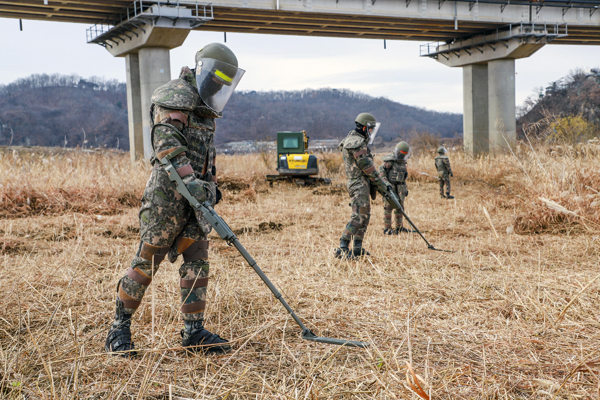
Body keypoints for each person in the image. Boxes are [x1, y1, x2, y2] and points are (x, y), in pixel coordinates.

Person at [105, 43, 245, 356]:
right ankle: (118, 330)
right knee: (147, 262)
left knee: (197, 262)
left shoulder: (205, 108)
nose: (220, 85)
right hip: (166, 199)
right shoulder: (174, 96)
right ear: (204, 70)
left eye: (226, 81)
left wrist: (211, 189)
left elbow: (205, 156)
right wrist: (195, 187)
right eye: (217, 77)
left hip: (196, 204)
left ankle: (193, 333)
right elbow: (167, 146)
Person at [335, 113, 390, 259]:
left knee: (365, 216)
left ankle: (357, 247)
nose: (371, 132)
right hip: (358, 183)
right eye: (370, 129)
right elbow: (368, 168)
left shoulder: (357, 140)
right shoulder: (356, 143)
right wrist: (382, 186)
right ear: (365, 127)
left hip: (362, 183)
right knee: (358, 216)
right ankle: (343, 247)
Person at [379, 141, 411, 234]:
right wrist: (385, 183)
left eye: (404, 154)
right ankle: (387, 229)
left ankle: (399, 227)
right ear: (397, 152)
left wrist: (405, 189)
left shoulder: (403, 163)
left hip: (400, 189)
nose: (402, 156)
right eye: (401, 153)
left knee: (400, 208)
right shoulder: (390, 161)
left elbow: (403, 177)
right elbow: (381, 171)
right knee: (388, 208)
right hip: (390, 188)